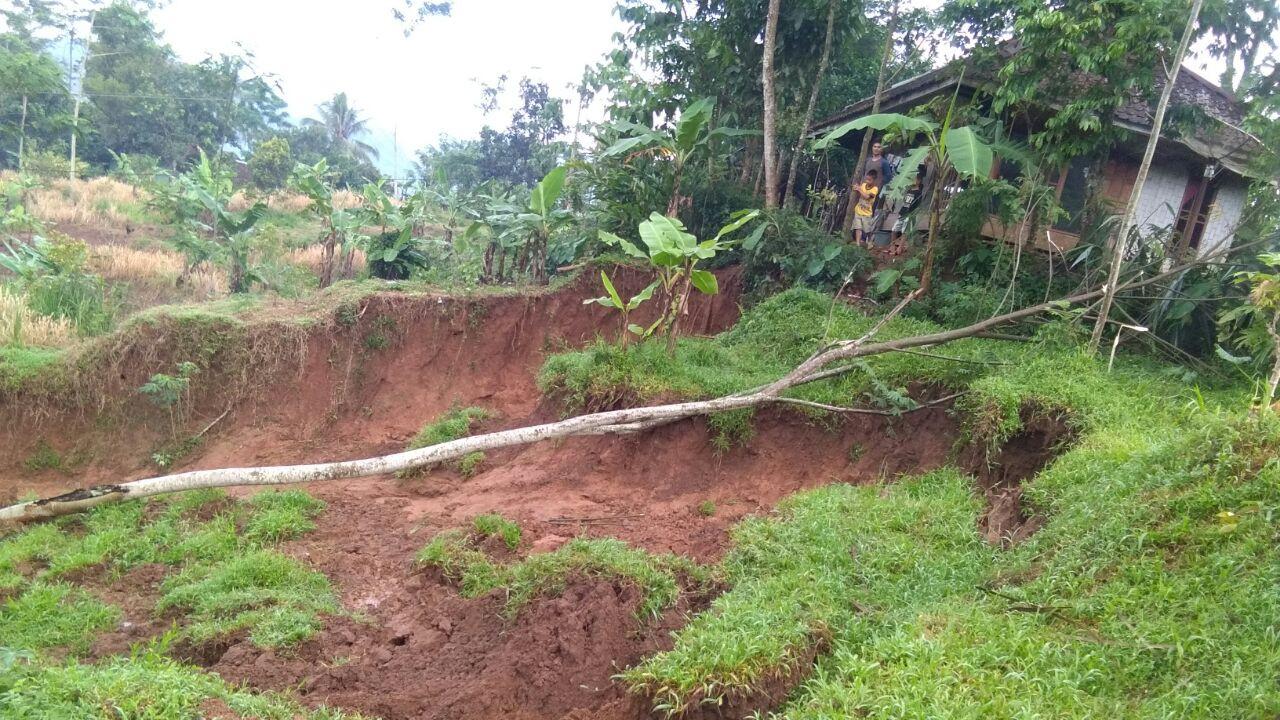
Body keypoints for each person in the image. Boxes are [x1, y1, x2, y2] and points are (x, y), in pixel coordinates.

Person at [889, 168, 925, 256]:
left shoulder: (919, 193)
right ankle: (892, 246)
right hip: (903, 213)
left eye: (914, 179)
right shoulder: (908, 190)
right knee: (894, 229)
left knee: (905, 231)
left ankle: (900, 247)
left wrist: (912, 215)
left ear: (919, 181)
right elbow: (905, 202)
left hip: (910, 214)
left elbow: (917, 205)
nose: (912, 181)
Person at [851, 168, 879, 247]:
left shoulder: (875, 189)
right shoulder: (863, 185)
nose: (867, 181)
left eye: (869, 180)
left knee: (867, 230)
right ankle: (857, 243)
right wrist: (856, 187)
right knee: (858, 227)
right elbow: (857, 189)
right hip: (858, 210)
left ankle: (870, 241)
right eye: (866, 179)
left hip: (867, 213)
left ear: (874, 180)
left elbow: (867, 197)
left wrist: (859, 189)